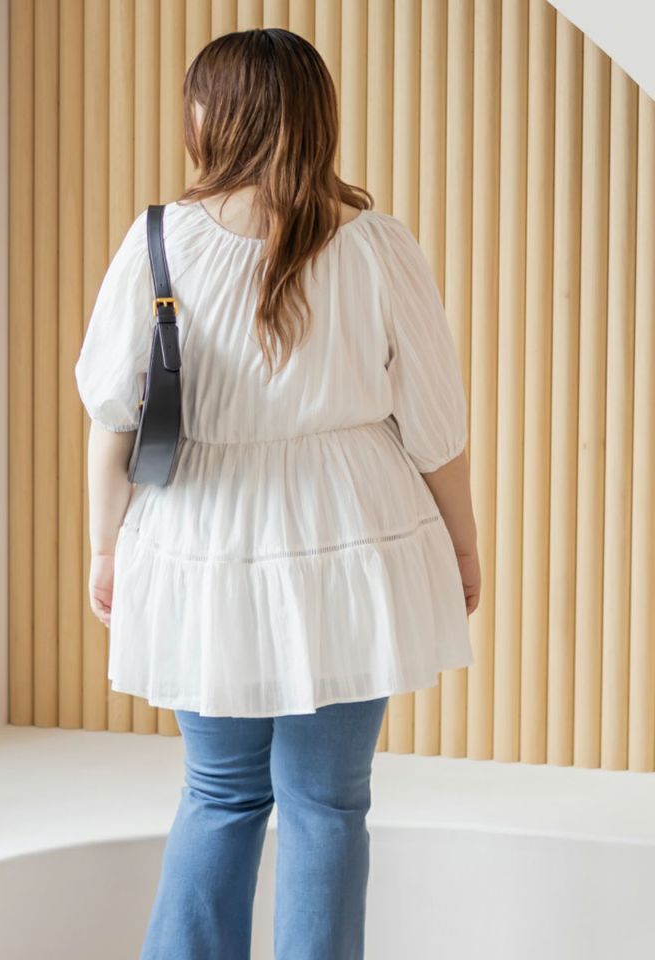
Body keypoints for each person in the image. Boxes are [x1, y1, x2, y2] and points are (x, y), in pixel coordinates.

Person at [74, 26, 480, 960]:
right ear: (317, 117)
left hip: (204, 537)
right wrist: (463, 544)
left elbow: (113, 416)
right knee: (327, 804)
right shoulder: (377, 245)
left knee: (220, 793)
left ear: (210, 118)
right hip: (353, 530)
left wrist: (105, 545)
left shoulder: (158, 242)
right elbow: (437, 426)